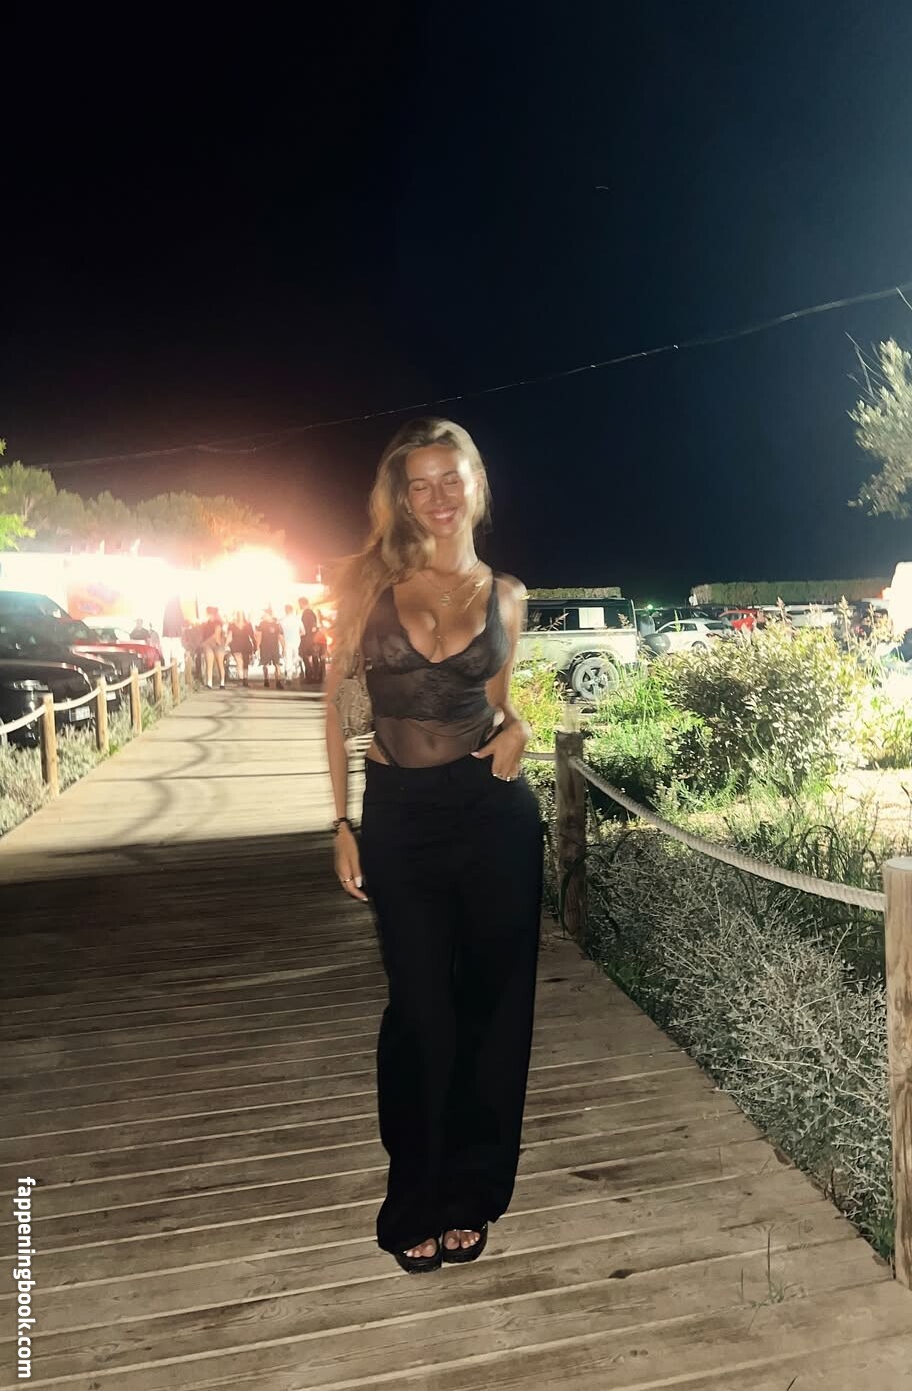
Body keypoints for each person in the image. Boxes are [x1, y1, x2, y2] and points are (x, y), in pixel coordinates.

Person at [325, 417, 540, 1275]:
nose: (437, 495)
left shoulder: (508, 595)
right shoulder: (368, 586)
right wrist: (342, 822)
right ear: (402, 498)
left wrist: (521, 728)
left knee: (495, 1008)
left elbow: (501, 705)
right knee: (421, 1010)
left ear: (476, 484)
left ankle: (471, 1194)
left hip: (493, 816)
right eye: (420, 483)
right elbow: (336, 708)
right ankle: (414, 1195)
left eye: (451, 478)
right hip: (401, 815)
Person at [257, 608, 285, 689]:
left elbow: (280, 636)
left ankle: (277, 680)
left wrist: (283, 647)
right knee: (266, 664)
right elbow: (259, 636)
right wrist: (258, 647)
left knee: (277, 664)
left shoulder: (276, 625)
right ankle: (267, 679)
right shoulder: (263, 624)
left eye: (265, 614)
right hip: (265, 647)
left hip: (273, 647)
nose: (263, 616)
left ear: (269, 615)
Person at [200, 606, 226, 689]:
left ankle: (219, 682)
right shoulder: (207, 623)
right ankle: (212, 682)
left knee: (219, 664)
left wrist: (204, 643)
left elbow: (216, 635)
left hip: (215, 644)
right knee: (211, 663)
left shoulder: (217, 622)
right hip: (212, 645)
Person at [228, 612, 256, 688]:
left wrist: (226, 645)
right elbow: (252, 636)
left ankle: (242, 680)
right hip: (244, 644)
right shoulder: (248, 625)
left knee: (241, 662)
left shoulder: (232, 625)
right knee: (243, 662)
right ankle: (244, 680)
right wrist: (255, 645)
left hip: (237, 645)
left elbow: (229, 636)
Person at [161, 595, 186, 672]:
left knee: (174, 654)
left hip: (173, 634)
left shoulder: (173, 605)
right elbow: (181, 621)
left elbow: (181, 621)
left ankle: (174, 671)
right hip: (172, 634)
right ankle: (175, 671)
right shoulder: (175, 605)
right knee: (174, 654)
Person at [280, 602, 302, 683]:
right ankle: (298, 672)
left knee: (288, 659)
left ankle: (289, 676)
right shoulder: (297, 619)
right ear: (292, 610)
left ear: (285, 610)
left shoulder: (282, 620)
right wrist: (297, 634)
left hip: (287, 642)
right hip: (296, 641)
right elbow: (303, 631)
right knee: (296, 656)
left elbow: (280, 633)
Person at [299, 596, 319, 682]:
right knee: (313, 656)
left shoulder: (308, 613)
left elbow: (313, 627)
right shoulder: (310, 612)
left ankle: (311, 675)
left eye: (299, 604)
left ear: (302, 603)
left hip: (308, 638)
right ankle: (315, 675)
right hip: (311, 638)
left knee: (306, 656)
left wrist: (308, 636)